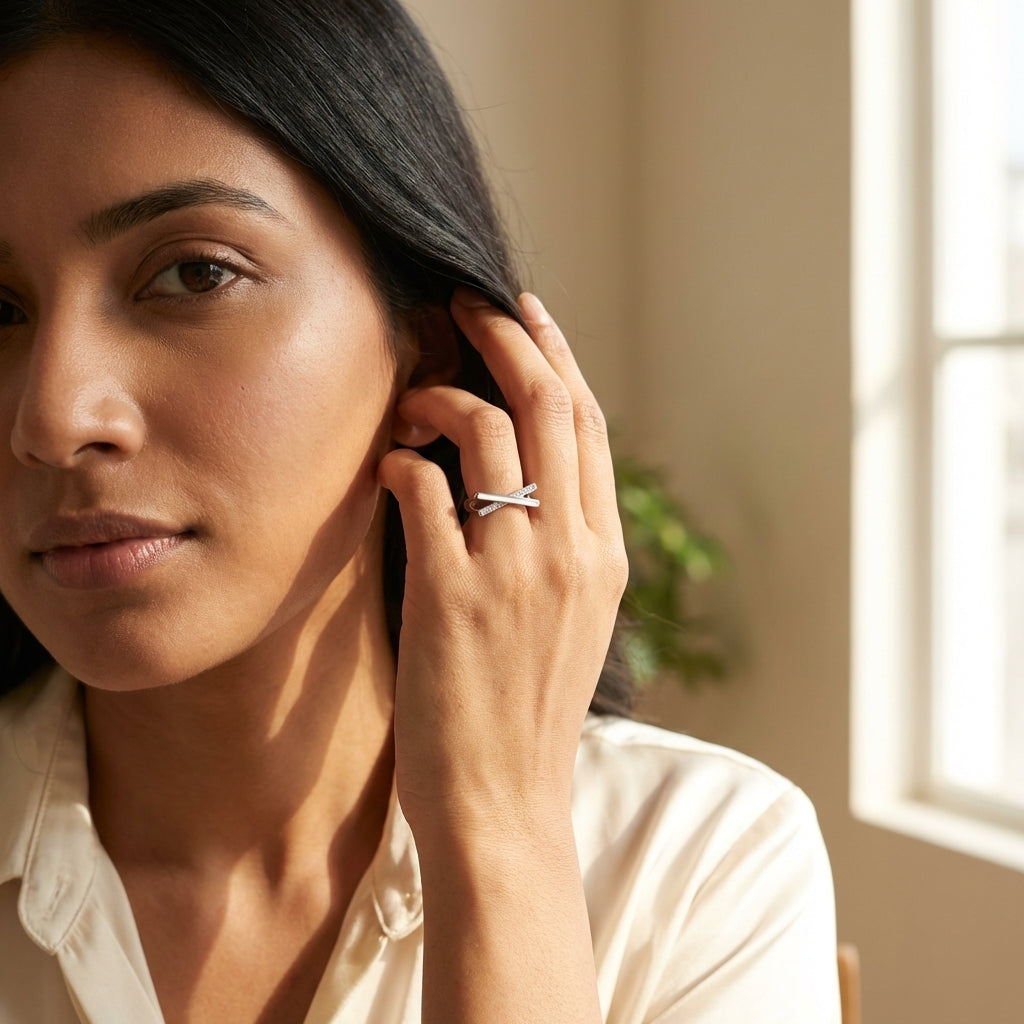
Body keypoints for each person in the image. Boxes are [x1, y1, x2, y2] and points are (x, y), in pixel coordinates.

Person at [0, 1, 840, 1021]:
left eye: (194, 274)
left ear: (429, 346)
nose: (52, 418)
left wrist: (500, 835)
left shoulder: (695, 867)